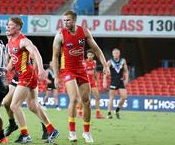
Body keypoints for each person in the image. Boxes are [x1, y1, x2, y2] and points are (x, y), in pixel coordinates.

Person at [50, 10, 109, 143]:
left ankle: (86, 133)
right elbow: (55, 56)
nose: (65, 23)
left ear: (75, 20)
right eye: (64, 20)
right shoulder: (60, 35)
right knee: (74, 99)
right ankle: (72, 132)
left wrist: (105, 64)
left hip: (80, 69)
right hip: (67, 70)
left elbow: (96, 49)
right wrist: (56, 76)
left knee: (87, 101)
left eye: (68, 20)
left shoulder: (84, 32)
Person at [6, 17, 59, 144]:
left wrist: (41, 69)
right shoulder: (9, 41)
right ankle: (51, 130)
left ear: (18, 27)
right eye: (7, 25)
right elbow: (12, 61)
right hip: (24, 74)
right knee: (32, 106)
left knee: (14, 105)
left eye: (11, 25)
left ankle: (25, 135)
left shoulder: (23, 40)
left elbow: (35, 52)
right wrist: (5, 69)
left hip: (26, 75)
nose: (7, 27)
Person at [103, 48, 128, 119]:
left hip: (121, 81)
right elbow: (105, 71)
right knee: (111, 98)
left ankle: (117, 110)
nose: (116, 54)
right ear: (112, 54)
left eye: (117, 53)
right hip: (113, 81)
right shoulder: (110, 62)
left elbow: (126, 71)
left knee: (124, 96)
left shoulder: (123, 61)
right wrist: (104, 80)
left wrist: (126, 79)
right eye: (114, 53)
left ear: (119, 54)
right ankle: (109, 113)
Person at [83, 50, 104, 119]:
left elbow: (95, 72)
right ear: (87, 55)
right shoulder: (84, 63)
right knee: (85, 98)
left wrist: (96, 80)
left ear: (93, 56)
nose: (90, 56)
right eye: (88, 55)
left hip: (92, 82)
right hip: (85, 82)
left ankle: (98, 113)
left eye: (91, 55)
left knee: (97, 96)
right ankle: (80, 112)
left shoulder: (94, 62)